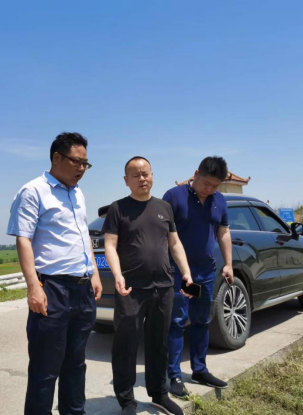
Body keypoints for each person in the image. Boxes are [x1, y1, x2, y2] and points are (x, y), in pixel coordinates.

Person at [7, 132, 103, 415]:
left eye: (86, 164)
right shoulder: (33, 191)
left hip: (82, 289)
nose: (82, 168)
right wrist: (33, 287)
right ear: (57, 158)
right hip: (52, 289)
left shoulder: (78, 193)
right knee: (45, 368)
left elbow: (83, 235)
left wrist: (94, 272)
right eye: (77, 162)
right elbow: (23, 239)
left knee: (76, 363)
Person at [103, 156, 192, 415]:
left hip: (163, 287)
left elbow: (174, 243)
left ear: (152, 175)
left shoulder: (164, 207)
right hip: (131, 289)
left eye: (146, 173)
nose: (142, 178)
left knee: (158, 344)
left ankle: (159, 394)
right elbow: (110, 245)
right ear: (126, 180)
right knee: (126, 344)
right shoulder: (118, 208)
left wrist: (186, 273)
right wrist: (117, 274)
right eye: (136, 175)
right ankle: (127, 401)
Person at [163, 156, 234, 396]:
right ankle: (174, 374)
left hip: (205, 273)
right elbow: (163, 235)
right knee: (177, 322)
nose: (209, 189)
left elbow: (223, 232)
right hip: (178, 274)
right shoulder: (174, 197)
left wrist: (229, 264)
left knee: (202, 321)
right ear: (196, 174)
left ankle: (199, 370)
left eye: (215, 186)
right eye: (206, 183)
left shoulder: (219, 200)